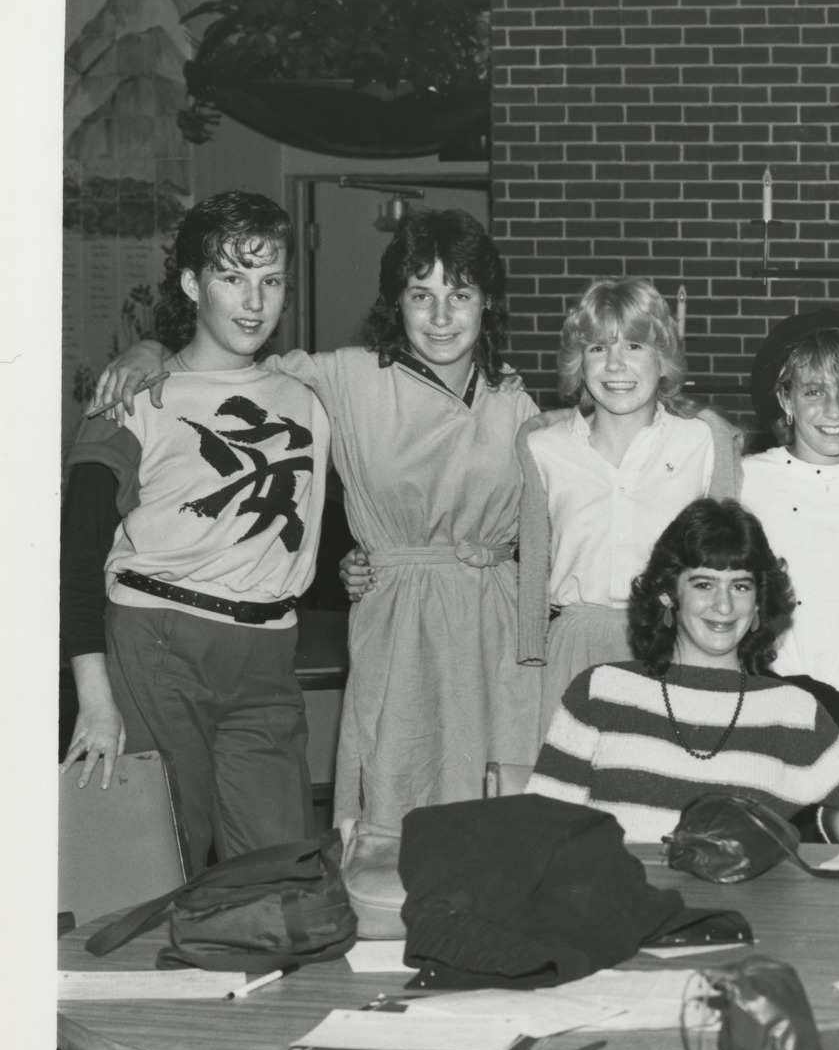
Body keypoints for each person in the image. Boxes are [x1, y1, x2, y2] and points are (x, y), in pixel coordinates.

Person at [94, 208, 542, 831]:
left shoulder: (517, 400)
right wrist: (150, 348)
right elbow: (227, 367)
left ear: (487, 303)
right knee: (394, 808)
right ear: (396, 302)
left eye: (460, 294)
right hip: (397, 627)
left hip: (491, 627)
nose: (441, 317)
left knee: (497, 808)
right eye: (421, 294)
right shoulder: (342, 377)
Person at [62, 190, 328, 867]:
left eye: (270, 282)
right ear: (190, 283)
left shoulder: (307, 396)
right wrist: (94, 701)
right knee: (152, 867)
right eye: (231, 277)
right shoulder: (131, 398)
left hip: (268, 652)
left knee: (279, 871)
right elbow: (75, 556)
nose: (253, 301)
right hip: (156, 641)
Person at [526, 499, 839, 845]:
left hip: (751, 911)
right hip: (623, 906)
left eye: (741, 586)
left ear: (759, 601)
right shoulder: (601, 691)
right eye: (703, 584)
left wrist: (826, 826)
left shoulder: (794, 712)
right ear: (669, 594)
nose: (723, 604)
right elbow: (540, 832)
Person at [514, 277, 742, 740]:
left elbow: (726, 561)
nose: (615, 364)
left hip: (670, 641)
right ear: (579, 363)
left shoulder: (701, 439)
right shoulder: (543, 446)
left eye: (635, 345)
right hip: (575, 646)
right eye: (598, 348)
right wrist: (530, 650)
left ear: (663, 361)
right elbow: (530, 562)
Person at [738, 312, 839, 752]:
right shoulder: (746, 479)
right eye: (813, 391)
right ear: (786, 399)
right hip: (776, 708)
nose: (834, 410)